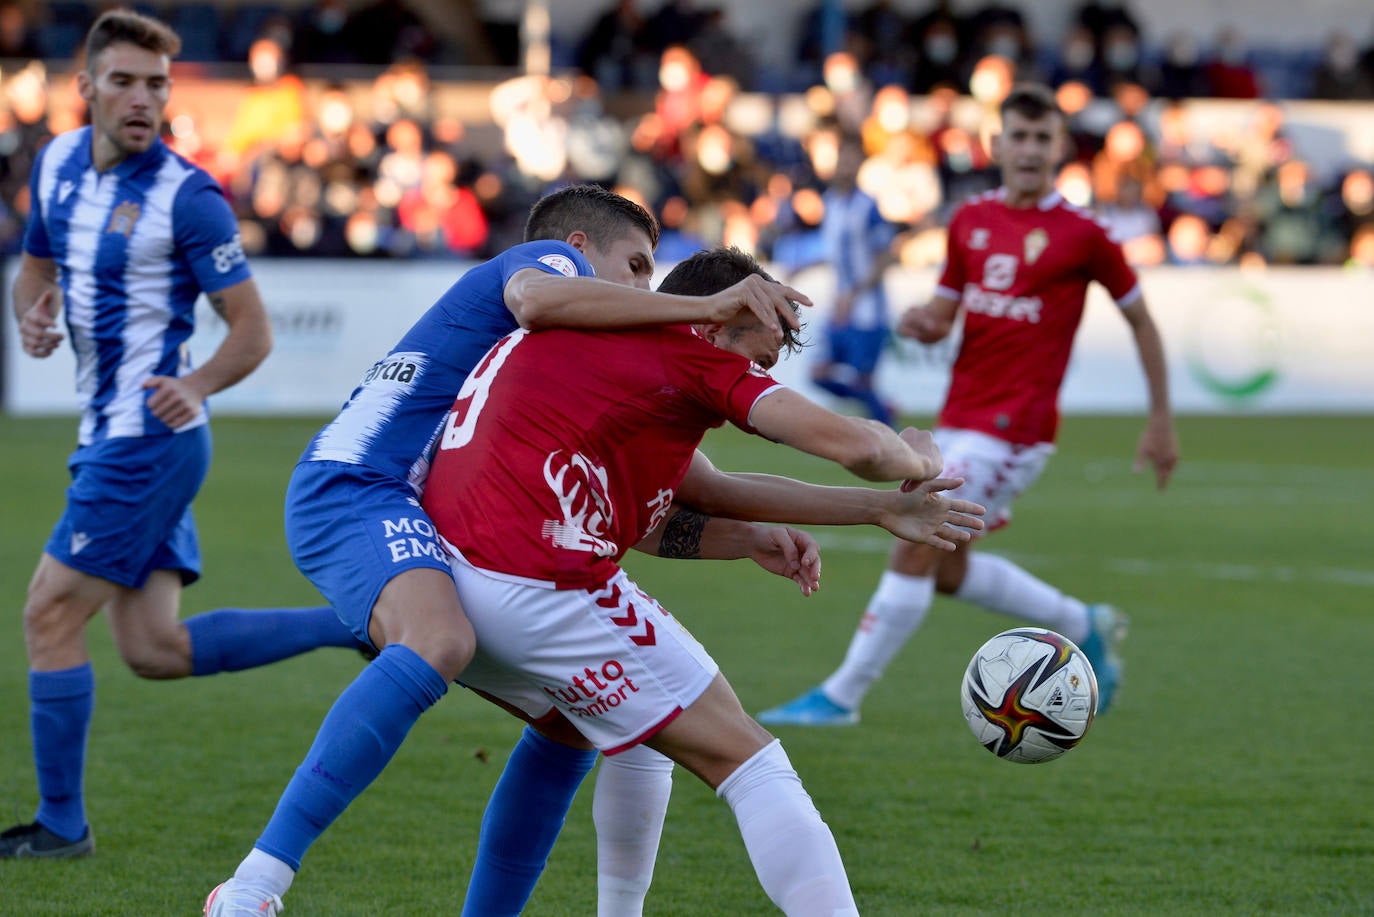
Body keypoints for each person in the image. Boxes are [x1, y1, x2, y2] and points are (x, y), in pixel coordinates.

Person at [200, 186, 819, 915]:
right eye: (635, 267)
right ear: (579, 248)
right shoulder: (548, 265)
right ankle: (252, 887)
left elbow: (675, 496)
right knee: (439, 639)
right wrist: (705, 306)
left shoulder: (578, 360)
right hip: (359, 482)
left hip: (410, 505)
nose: (641, 291)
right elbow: (532, 296)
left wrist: (861, 512)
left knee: (571, 722)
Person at [424, 246, 960, 914]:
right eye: (757, 355)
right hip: (537, 579)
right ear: (715, 320)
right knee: (752, 762)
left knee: (641, 737)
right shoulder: (686, 352)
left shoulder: (614, 359)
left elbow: (688, 502)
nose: (758, 373)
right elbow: (863, 447)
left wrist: (875, 510)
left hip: (451, 581)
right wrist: (920, 455)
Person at [0, 9, 367, 862]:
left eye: (157, 85)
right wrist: (32, 315)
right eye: (124, 81)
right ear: (86, 88)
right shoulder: (56, 164)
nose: (143, 99)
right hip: (107, 431)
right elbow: (35, 271)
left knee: (48, 613)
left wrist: (196, 383)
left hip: (147, 441)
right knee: (153, 648)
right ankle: (352, 625)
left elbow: (253, 330)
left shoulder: (187, 196)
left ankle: (61, 826)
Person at [758, 81, 1179, 728]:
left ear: (1060, 147)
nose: (1030, 149)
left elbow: (1143, 321)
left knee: (915, 532)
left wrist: (1160, 419)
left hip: (1016, 430)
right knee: (947, 572)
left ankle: (841, 696)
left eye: (1042, 138)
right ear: (997, 144)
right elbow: (943, 312)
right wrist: (925, 323)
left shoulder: (1085, 234)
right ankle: (1082, 623)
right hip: (960, 419)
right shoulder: (971, 222)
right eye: (1020, 136)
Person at [805, 136, 900, 427]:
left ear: (859, 165)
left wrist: (855, 293)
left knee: (862, 381)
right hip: (840, 308)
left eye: (851, 160)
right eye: (842, 160)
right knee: (818, 374)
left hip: (868, 311)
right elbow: (834, 253)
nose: (845, 166)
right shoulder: (830, 203)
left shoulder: (868, 207)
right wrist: (804, 265)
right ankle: (882, 407)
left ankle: (889, 431)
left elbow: (886, 257)